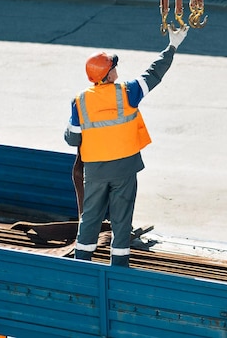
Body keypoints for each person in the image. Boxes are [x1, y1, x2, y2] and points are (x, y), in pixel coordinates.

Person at [64, 24, 188, 267]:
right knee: (122, 219)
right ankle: (119, 269)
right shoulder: (128, 92)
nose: (116, 69)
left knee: (90, 218)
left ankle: (81, 265)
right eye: (114, 66)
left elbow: (72, 139)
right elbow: (154, 74)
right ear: (108, 74)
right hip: (124, 168)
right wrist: (172, 46)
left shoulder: (80, 101)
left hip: (96, 170)